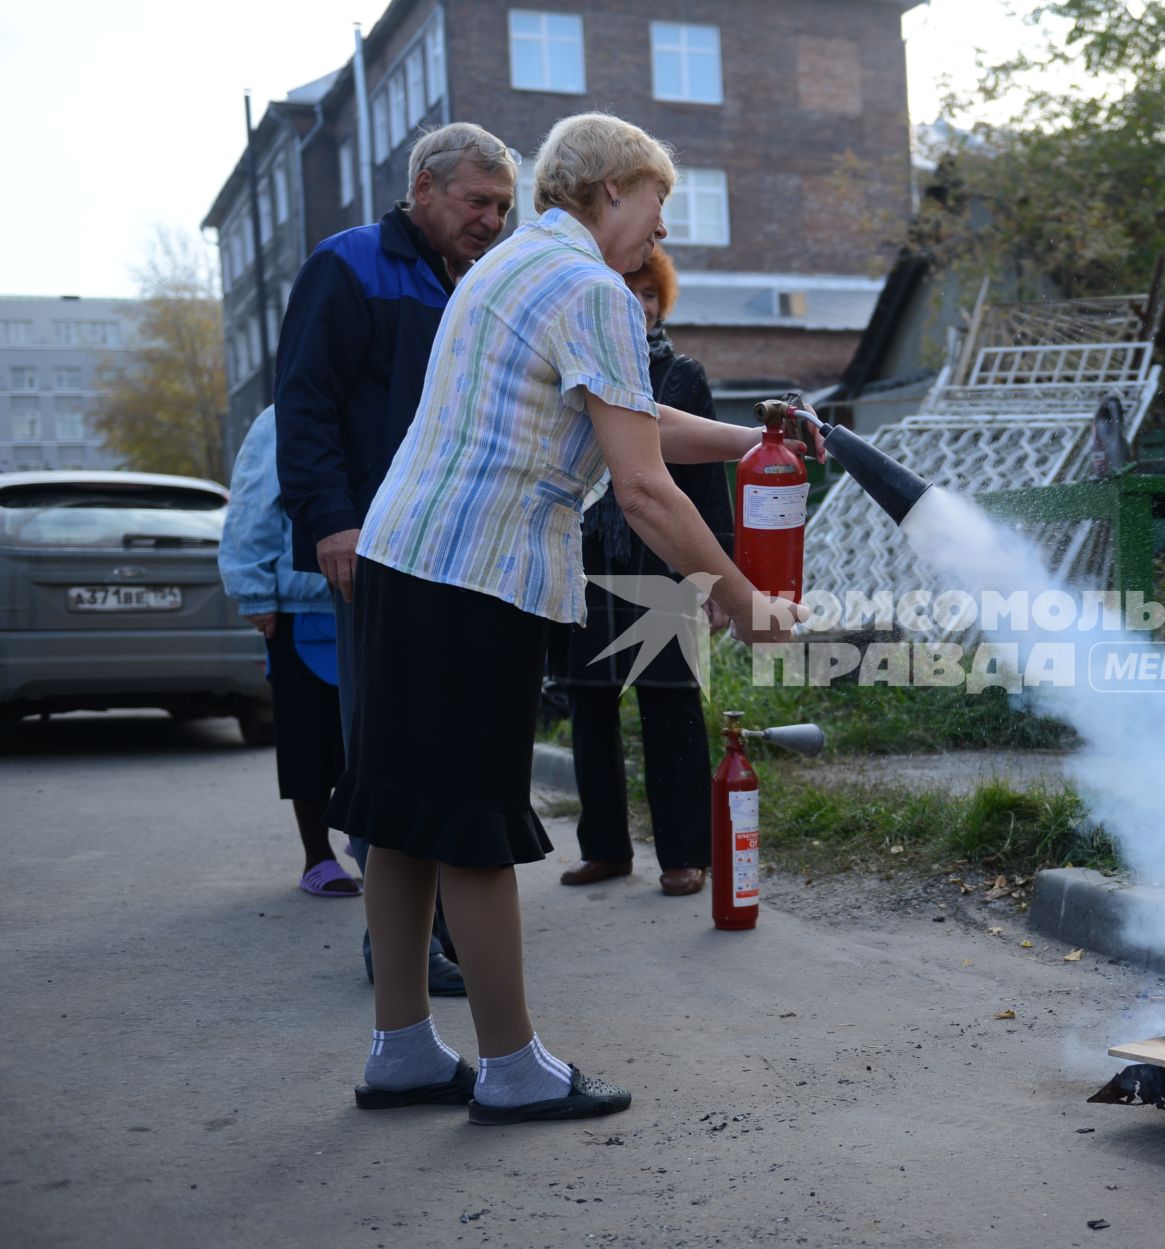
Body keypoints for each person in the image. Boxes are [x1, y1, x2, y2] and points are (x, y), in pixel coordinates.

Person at [333, 112, 815, 1124]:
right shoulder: (593, 288)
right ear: (609, 190)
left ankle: (404, 1050)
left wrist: (752, 437)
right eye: (656, 205)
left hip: (403, 554)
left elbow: (627, 412)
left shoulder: (513, 268)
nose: (660, 232)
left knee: (403, 815)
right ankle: (511, 1067)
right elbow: (640, 485)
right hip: (478, 570)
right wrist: (740, 601)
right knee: (468, 818)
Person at [276, 121, 519, 995]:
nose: (491, 220)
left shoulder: (480, 282)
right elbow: (301, 407)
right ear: (422, 189)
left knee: (446, 746)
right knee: (387, 745)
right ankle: (401, 950)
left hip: (463, 551)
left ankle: (449, 931)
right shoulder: (349, 267)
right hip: (376, 546)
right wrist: (330, 521)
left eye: (502, 206)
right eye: (475, 202)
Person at [555, 248, 729, 896]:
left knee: (672, 709)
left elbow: (708, 486)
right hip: (586, 562)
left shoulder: (682, 376)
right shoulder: (575, 369)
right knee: (588, 710)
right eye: (626, 291)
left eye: (648, 294)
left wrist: (714, 580)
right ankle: (604, 848)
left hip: (664, 562)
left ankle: (685, 854)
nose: (639, 304)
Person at [218, 405, 357, 898]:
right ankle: (317, 856)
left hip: (376, 594)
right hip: (302, 604)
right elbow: (253, 505)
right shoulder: (280, 418)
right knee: (309, 740)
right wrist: (254, 591)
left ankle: (374, 849)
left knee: (367, 740)